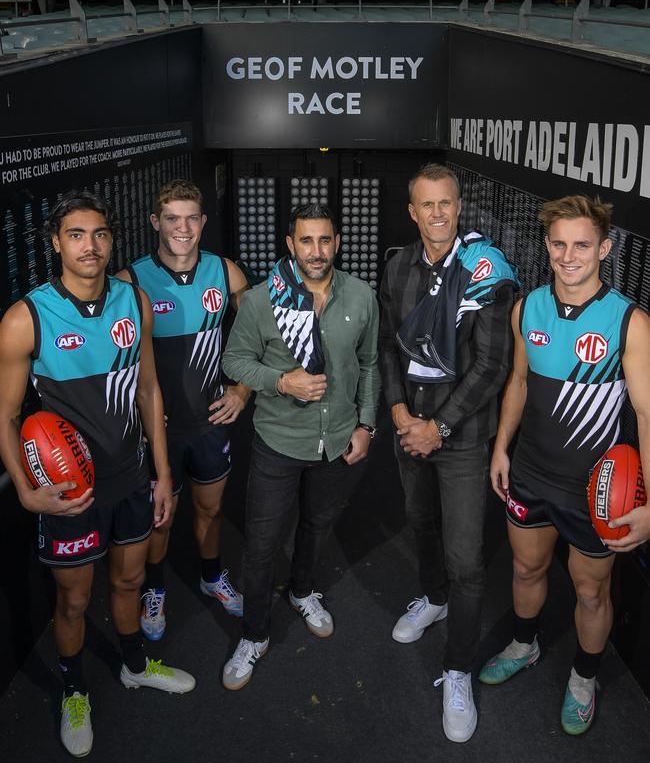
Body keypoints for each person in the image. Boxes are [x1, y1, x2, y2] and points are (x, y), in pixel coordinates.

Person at [0, 191, 195, 760]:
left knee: (130, 583)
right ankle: (75, 689)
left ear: (113, 240)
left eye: (101, 234)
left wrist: (162, 474)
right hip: (71, 494)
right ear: (56, 242)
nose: (91, 246)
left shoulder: (134, 301)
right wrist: (29, 493)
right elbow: (7, 415)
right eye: (77, 235)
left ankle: (135, 665)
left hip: (132, 479)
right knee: (76, 602)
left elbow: (150, 388)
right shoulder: (25, 317)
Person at [479, 194, 650, 734]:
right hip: (529, 471)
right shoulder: (526, 308)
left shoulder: (630, 321)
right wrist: (502, 447)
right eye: (558, 243)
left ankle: (584, 675)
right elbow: (519, 384)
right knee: (526, 567)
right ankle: (525, 644)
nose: (569, 255)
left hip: (594, 488)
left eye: (581, 244)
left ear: (604, 247)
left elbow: (648, 413)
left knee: (589, 590)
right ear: (547, 245)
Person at [379, 162, 518, 743]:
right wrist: (399, 414)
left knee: (467, 561)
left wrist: (438, 426)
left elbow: (492, 365)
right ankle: (431, 599)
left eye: (446, 204)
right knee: (421, 523)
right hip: (410, 430)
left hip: (458, 438)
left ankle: (457, 669)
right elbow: (387, 348)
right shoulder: (396, 266)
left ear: (459, 208)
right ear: (412, 212)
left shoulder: (484, 270)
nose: (437, 214)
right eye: (426, 205)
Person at [220, 202, 380, 690]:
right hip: (278, 442)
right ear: (290, 245)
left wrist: (366, 426)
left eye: (325, 240)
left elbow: (370, 364)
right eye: (306, 241)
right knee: (263, 544)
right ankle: (254, 634)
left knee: (316, 525)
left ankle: (303, 591)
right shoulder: (262, 300)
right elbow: (235, 362)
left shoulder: (360, 295)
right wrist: (280, 381)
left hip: (336, 441)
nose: (317, 251)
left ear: (336, 242)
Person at [116, 179, 250, 640]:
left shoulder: (226, 272)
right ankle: (155, 590)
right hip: (159, 430)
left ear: (203, 222)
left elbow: (261, 339)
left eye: (192, 217)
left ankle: (212, 577)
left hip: (209, 423)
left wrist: (242, 391)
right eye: (172, 218)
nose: (183, 227)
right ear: (156, 222)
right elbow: (109, 360)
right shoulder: (129, 283)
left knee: (210, 511)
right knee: (162, 517)